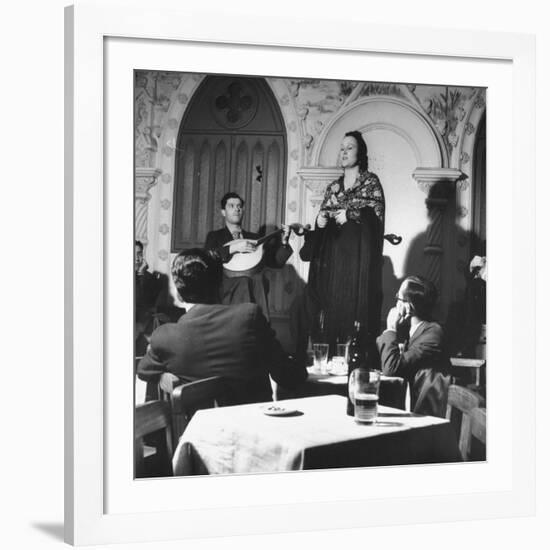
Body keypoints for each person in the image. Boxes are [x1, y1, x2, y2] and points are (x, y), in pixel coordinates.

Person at [137, 248, 307, 405]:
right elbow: (289, 377)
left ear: (179, 294)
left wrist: (168, 376)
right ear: (219, 286)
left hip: (199, 435)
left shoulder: (164, 337)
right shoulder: (248, 317)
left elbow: (144, 371)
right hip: (254, 431)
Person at [296, 130, 385, 357]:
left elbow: (376, 218)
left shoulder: (370, 182)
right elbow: (323, 220)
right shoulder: (333, 187)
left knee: (354, 320)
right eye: (342, 148)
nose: (344, 152)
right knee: (328, 317)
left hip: (357, 265)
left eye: (350, 148)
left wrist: (353, 214)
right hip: (333, 264)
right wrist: (320, 221)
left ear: (360, 152)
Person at [204, 192, 292, 321]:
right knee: (245, 281)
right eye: (231, 206)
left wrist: (284, 242)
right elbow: (208, 258)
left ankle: (261, 327)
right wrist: (234, 248)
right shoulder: (214, 236)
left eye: (239, 206)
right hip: (225, 285)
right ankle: (244, 326)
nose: (237, 209)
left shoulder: (254, 239)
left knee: (259, 278)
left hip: (252, 283)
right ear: (223, 212)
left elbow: (275, 263)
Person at [376, 276, 451, 417]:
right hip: (406, 399)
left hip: (427, 411)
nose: (396, 301)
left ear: (409, 306)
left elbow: (391, 369)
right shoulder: (406, 328)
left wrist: (390, 328)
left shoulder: (433, 333)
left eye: (399, 297)